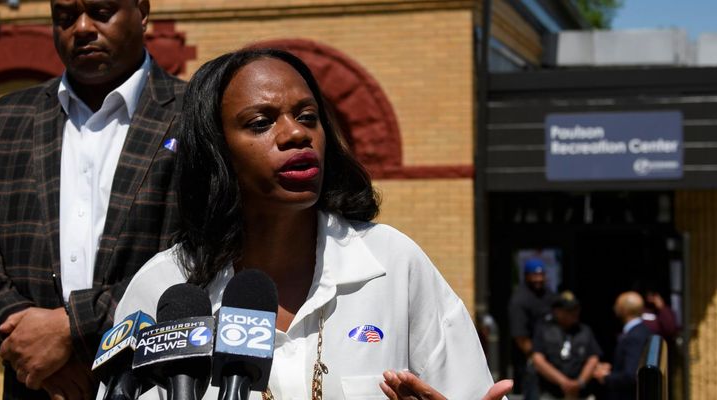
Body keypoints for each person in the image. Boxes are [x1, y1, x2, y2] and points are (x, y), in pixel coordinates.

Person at [110, 48, 510, 399]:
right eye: (261, 122)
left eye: (307, 116)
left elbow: (469, 390)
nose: (295, 133)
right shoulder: (163, 288)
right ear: (216, 152)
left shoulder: (393, 263)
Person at [0, 0, 184, 398]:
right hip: (36, 385)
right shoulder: (10, 119)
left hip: (154, 381)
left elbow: (203, 255)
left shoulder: (195, 114)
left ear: (141, 11)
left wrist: (73, 327)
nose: (83, 28)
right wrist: (26, 339)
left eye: (102, 11)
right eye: (66, 17)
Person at [531, 291, 600, 400]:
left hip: (581, 394)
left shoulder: (584, 330)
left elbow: (593, 358)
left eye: (576, 309)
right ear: (557, 311)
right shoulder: (544, 330)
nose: (575, 313)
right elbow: (538, 359)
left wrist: (579, 382)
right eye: (569, 310)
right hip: (552, 393)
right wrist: (563, 382)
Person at [508, 258, 559, 400]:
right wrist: (536, 357)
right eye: (534, 275)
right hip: (531, 359)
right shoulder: (520, 299)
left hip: (552, 357)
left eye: (541, 275)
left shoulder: (549, 295)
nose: (539, 279)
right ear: (526, 276)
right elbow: (520, 337)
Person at [592, 291, 654, 400]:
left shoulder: (634, 336)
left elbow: (631, 375)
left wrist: (606, 377)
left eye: (617, 305)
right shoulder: (642, 330)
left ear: (624, 310)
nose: (614, 308)